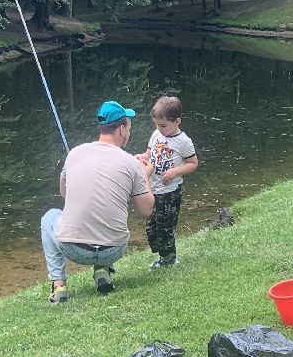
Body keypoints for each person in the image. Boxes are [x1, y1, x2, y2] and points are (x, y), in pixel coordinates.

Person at [40, 100, 154, 303]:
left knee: (50, 217)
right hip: (113, 250)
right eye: (128, 128)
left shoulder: (75, 153)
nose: (129, 132)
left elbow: (64, 194)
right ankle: (102, 270)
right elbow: (146, 211)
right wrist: (145, 175)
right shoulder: (130, 162)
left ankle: (59, 287)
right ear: (121, 129)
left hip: (74, 250)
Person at [137, 95, 198, 269]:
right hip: (152, 189)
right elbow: (149, 153)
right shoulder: (156, 134)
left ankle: (168, 258)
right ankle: (163, 254)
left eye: (163, 125)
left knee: (166, 225)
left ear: (177, 121)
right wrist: (142, 158)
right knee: (151, 227)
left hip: (170, 191)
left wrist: (175, 171)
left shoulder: (183, 141)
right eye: (157, 124)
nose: (160, 129)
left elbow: (193, 164)